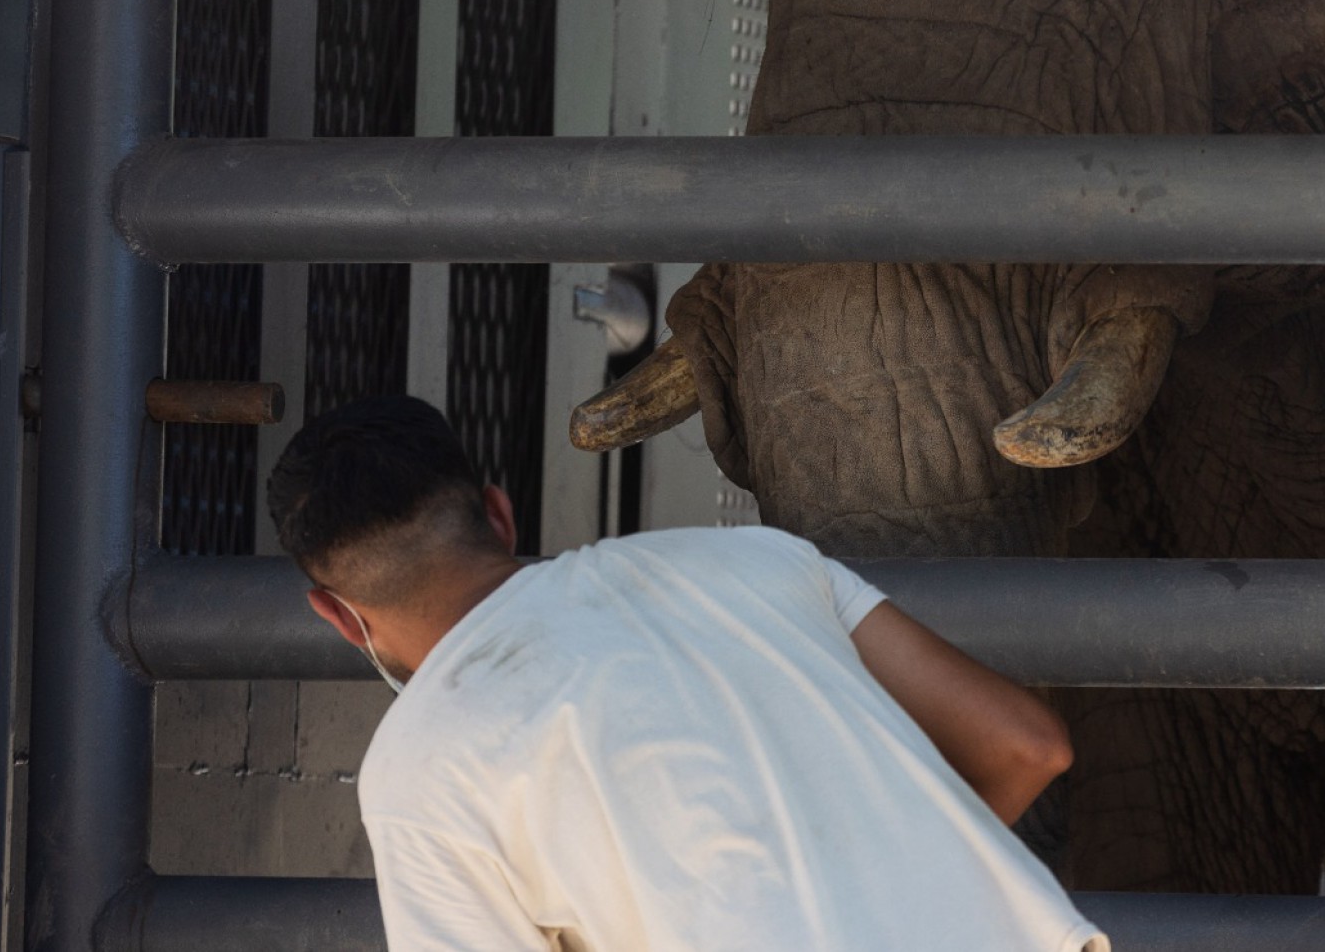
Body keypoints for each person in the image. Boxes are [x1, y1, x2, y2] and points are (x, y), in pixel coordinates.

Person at [268, 394, 1105, 952]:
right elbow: (1026, 745)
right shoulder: (756, 561)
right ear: (496, 511)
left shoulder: (417, 772)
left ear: (338, 616)